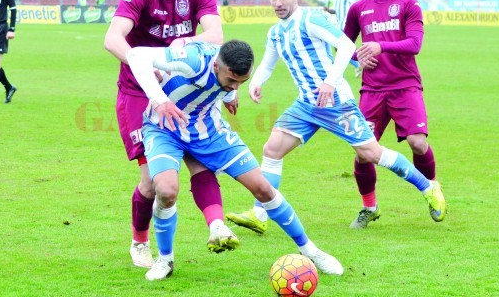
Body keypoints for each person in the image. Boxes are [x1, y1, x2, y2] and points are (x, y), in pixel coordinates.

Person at [225, 0, 446, 234]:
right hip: (306, 105)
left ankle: (428, 187)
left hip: (336, 103)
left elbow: (344, 45)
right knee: (271, 150)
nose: (278, 3)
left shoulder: (311, 19)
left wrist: (330, 81)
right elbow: (268, 62)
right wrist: (255, 82)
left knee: (371, 154)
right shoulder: (275, 33)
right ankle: (260, 214)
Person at [127, 39, 344, 281]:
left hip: (208, 130)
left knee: (263, 188)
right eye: (232, 81)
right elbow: (136, 55)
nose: (235, 87)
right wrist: (160, 100)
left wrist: (229, 94)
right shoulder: (194, 59)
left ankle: (311, 251)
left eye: (242, 82)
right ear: (217, 66)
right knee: (166, 191)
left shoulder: (230, 72)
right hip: (165, 128)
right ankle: (164, 259)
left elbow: (227, 85)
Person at [103, 0, 232, 269]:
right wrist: (143, 64)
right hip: (137, 93)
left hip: (182, 92)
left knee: (198, 161)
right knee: (151, 183)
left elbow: (216, 36)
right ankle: (140, 241)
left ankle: (214, 225)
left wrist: (179, 48)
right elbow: (112, 38)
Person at [341, 0, 444, 228]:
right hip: (372, 90)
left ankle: (433, 189)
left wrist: (378, 47)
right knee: (363, 153)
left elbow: (415, 44)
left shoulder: (409, 5)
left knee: (418, 144)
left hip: (405, 86)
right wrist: (358, 55)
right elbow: (343, 44)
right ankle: (369, 207)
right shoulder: (359, 8)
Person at [323, 0, 360, 75]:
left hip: (346, 25)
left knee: (342, 48)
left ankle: (358, 64)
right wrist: (328, 10)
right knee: (341, 48)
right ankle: (358, 64)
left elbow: (355, 6)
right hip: (339, 25)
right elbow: (337, 11)